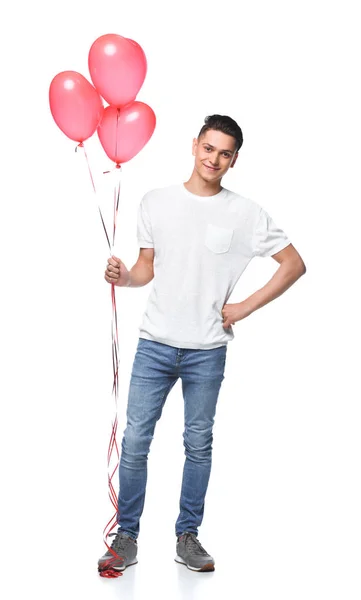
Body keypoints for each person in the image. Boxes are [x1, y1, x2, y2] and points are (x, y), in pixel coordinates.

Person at [97, 114, 306, 574]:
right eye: (208, 148)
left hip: (207, 349)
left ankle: (187, 536)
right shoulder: (156, 202)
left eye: (225, 153)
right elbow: (145, 268)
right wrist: (124, 277)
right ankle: (125, 536)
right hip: (154, 344)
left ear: (234, 160)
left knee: (198, 443)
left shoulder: (246, 213)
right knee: (135, 441)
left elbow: (293, 264)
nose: (214, 158)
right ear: (194, 146)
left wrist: (244, 306)